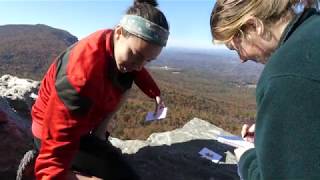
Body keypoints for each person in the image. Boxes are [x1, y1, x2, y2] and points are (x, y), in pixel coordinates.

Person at [30, 0, 169, 179]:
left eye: (147, 61)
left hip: (80, 128)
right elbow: (53, 155)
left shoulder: (111, 40)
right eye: (135, 55)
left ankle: (95, 140)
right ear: (119, 32)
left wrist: (154, 92)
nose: (139, 66)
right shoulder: (80, 77)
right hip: (48, 136)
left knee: (126, 76)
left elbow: (137, 68)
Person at [210, 0, 320, 179]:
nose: (241, 59)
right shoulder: (313, 28)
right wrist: (271, 131)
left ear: (254, 26)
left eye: (235, 47)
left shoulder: (285, 75)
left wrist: (247, 159)